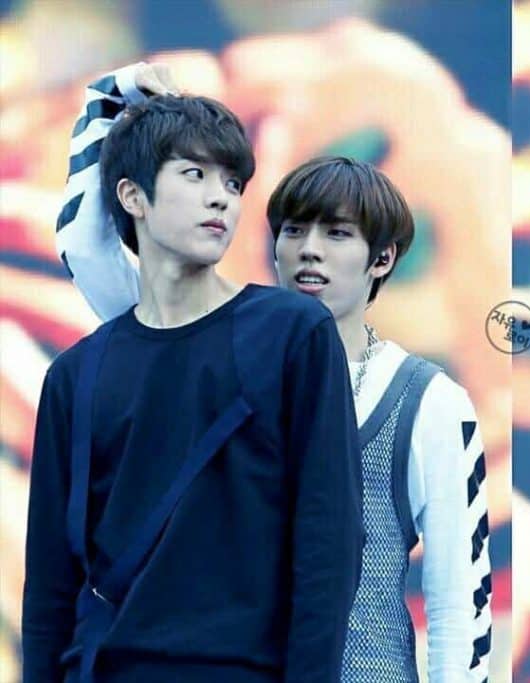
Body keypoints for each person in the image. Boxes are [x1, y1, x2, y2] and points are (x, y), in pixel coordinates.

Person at [54, 64, 493, 682]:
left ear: (382, 258)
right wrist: (115, 102)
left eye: (337, 233)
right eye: (293, 230)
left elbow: (458, 606)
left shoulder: (427, 401)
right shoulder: (215, 354)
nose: (309, 249)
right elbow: (91, 252)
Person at [23, 76, 363, 682]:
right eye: (194, 175)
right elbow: (50, 583)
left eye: (232, 183)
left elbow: (328, 542)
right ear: (133, 196)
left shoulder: (290, 332)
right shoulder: (76, 375)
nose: (221, 199)